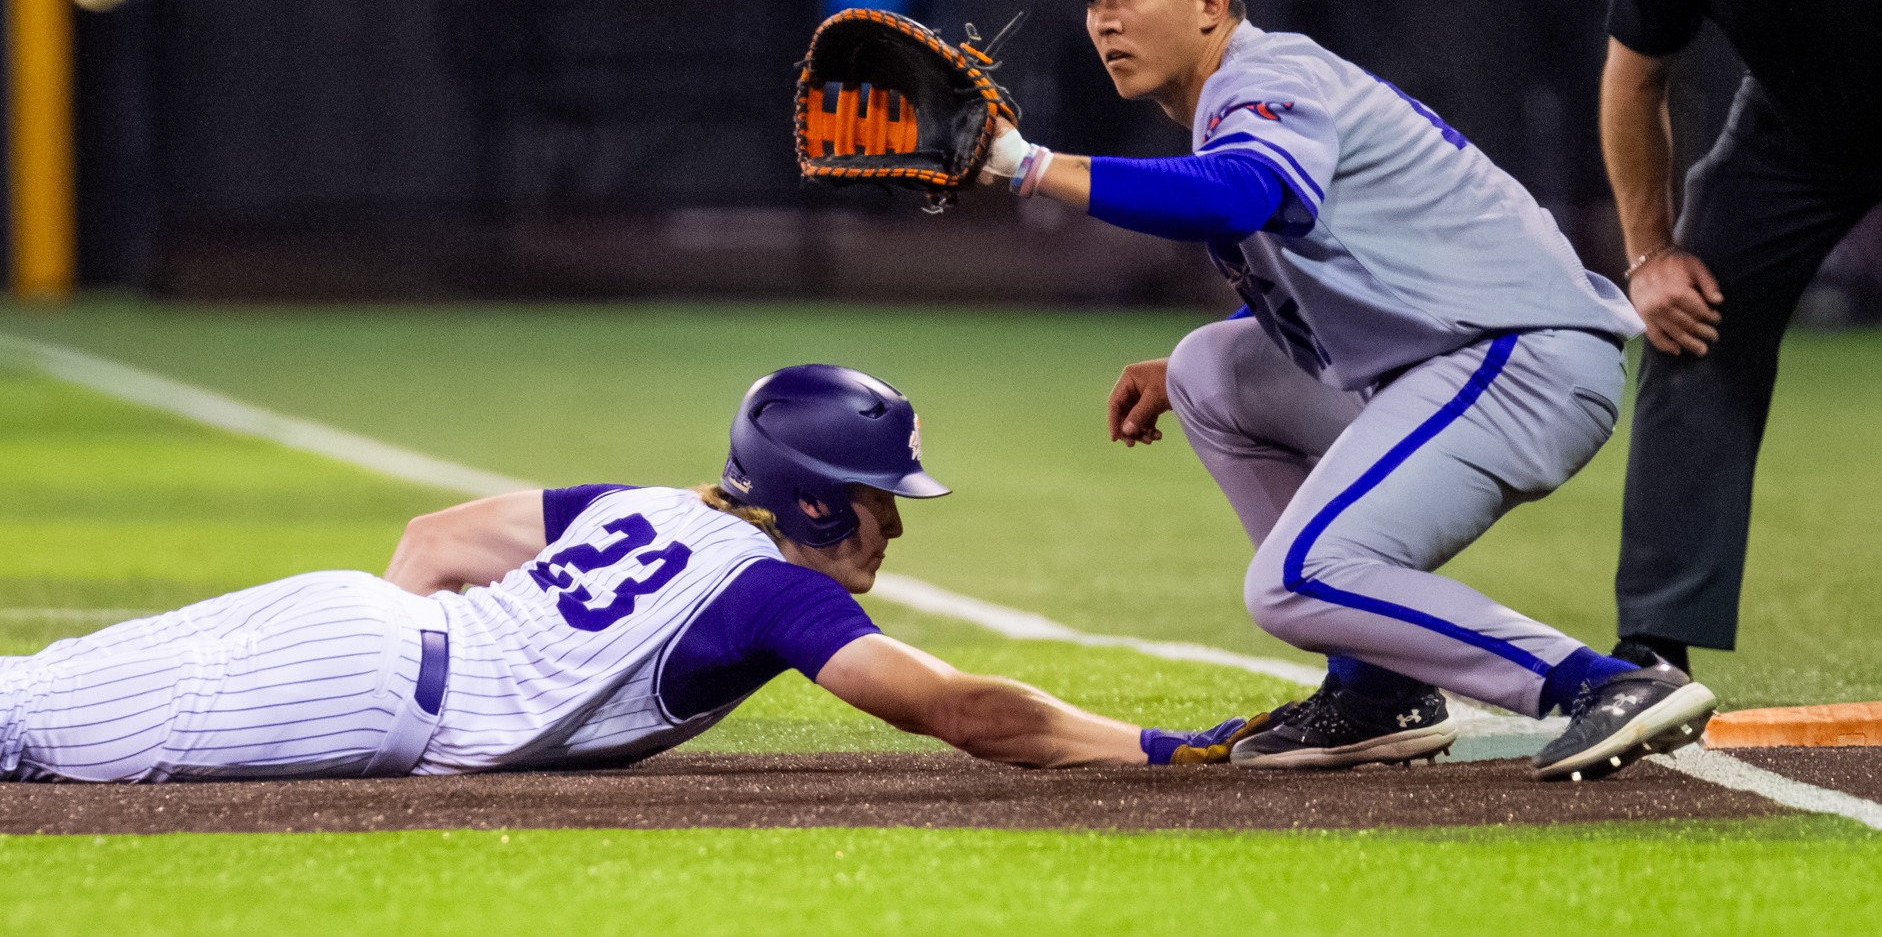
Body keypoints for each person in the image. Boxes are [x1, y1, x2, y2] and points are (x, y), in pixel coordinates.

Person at [981, 0, 1716, 780]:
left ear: (1212, 3)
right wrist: (1191, 360)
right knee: (1207, 367)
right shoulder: (1228, 98)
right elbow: (1327, 264)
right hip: (1454, 360)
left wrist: (1028, 166)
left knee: (1291, 581)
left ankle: (1601, 682)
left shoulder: (1268, 73)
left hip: (1522, 358)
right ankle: (1377, 693)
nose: (1104, 17)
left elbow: (1238, 194)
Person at [0, 364, 1250, 782]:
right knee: (35, 735)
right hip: (365, 678)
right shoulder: (773, 591)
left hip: (347, 615)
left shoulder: (652, 502)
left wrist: (432, 665)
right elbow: (961, 709)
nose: (896, 525)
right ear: (814, 494)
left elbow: (435, 540)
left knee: (32, 693)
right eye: (881, 498)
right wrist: (1153, 745)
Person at [1601, 0, 1882, 675]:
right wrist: (1648, 254)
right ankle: (1650, 653)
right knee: (1690, 317)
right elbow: (1635, 79)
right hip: (1793, 133)